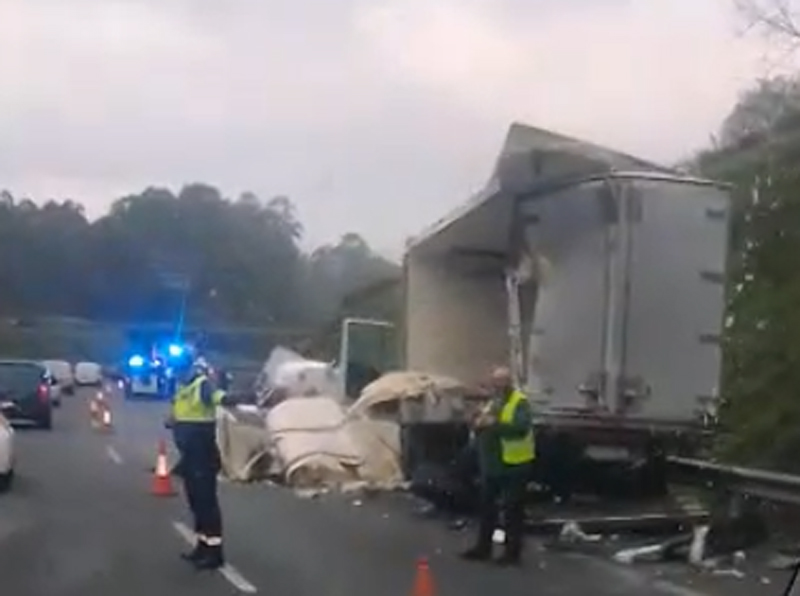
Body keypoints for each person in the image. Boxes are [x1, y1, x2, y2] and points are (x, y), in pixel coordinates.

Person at [460, 365, 535, 566]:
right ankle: (483, 547)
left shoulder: (520, 402)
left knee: (512, 511)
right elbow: (481, 424)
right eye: (495, 381)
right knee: (487, 508)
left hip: (514, 465)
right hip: (492, 465)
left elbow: (520, 428)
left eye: (501, 381)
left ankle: (512, 553)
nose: (497, 385)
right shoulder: (494, 402)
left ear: (508, 382)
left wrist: (493, 424)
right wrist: (475, 421)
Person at [167, 358, 229, 570]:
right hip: (190, 457)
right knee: (196, 504)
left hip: (203, 455)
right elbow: (178, 413)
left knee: (206, 504)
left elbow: (220, 398)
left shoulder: (202, 384)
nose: (175, 374)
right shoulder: (183, 387)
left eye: (177, 370)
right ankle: (202, 547)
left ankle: (215, 553)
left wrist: (242, 398)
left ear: (187, 369)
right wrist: (173, 421)